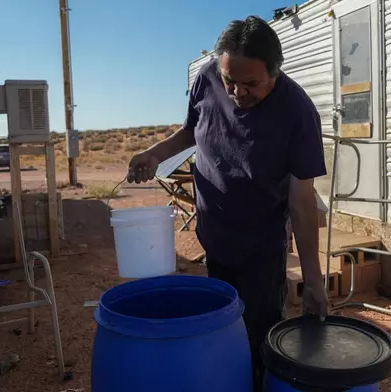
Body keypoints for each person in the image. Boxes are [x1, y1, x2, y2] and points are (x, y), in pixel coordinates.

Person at [127, 15, 329, 390]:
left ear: (275, 72)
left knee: (257, 340)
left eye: (251, 83)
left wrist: (314, 281)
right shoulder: (207, 77)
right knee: (222, 331)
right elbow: (192, 129)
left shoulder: (297, 113)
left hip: (261, 245)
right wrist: (154, 153)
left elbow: (301, 203)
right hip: (215, 234)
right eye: (229, 81)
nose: (237, 91)